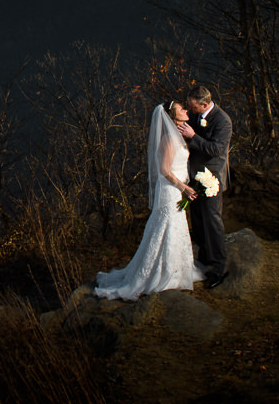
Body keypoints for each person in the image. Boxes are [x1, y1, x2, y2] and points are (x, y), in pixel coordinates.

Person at [94, 102, 205, 300]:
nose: (186, 111)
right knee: (168, 225)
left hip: (176, 189)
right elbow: (164, 170)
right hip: (171, 189)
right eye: (182, 109)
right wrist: (184, 187)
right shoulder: (170, 139)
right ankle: (162, 273)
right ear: (174, 116)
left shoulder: (177, 136)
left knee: (172, 226)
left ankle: (175, 271)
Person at [176, 85, 232, 289]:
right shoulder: (194, 114)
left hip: (212, 179)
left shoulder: (222, 121)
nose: (190, 110)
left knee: (212, 221)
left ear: (205, 104)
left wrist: (193, 137)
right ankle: (204, 258)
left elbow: (216, 150)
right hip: (194, 177)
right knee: (198, 220)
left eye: (193, 107)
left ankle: (219, 267)